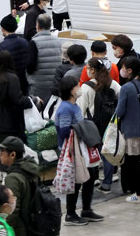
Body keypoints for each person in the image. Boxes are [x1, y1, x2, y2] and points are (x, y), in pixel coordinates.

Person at [55, 76, 103, 225]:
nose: (80, 87)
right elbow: (64, 132)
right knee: (76, 181)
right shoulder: (65, 108)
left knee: (90, 176)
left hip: (81, 149)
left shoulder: (74, 105)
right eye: (77, 85)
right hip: (72, 151)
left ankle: (86, 210)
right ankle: (70, 214)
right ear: (70, 90)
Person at [114, 54, 140, 203]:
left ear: (129, 70)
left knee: (132, 162)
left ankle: (138, 194)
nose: (121, 70)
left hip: (129, 131)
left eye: (123, 67)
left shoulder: (126, 88)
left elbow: (119, 112)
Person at [78, 56, 121, 193]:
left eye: (88, 68)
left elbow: (80, 109)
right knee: (107, 154)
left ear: (92, 70)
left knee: (91, 153)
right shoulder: (113, 84)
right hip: (110, 125)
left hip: (91, 125)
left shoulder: (86, 87)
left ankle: (94, 178)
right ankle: (107, 184)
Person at [0, 51, 32, 172]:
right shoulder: (12, 78)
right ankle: (8, 171)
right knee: (10, 147)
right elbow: (18, 99)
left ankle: (1, 171)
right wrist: (31, 101)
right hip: (9, 117)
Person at [0, 136, 39, 236]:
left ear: (12, 155)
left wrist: (7, 229)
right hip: (33, 221)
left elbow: (13, 209)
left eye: (2, 151)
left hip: (22, 227)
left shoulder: (13, 178)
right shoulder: (30, 168)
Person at [27, 14, 63, 103]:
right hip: (54, 82)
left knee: (38, 110)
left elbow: (31, 66)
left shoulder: (34, 42)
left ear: (37, 25)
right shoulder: (58, 41)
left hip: (39, 83)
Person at [0, 15, 31, 96]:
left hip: (8, 85)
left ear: (3, 29)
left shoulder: (1, 47)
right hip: (24, 82)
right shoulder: (25, 42)